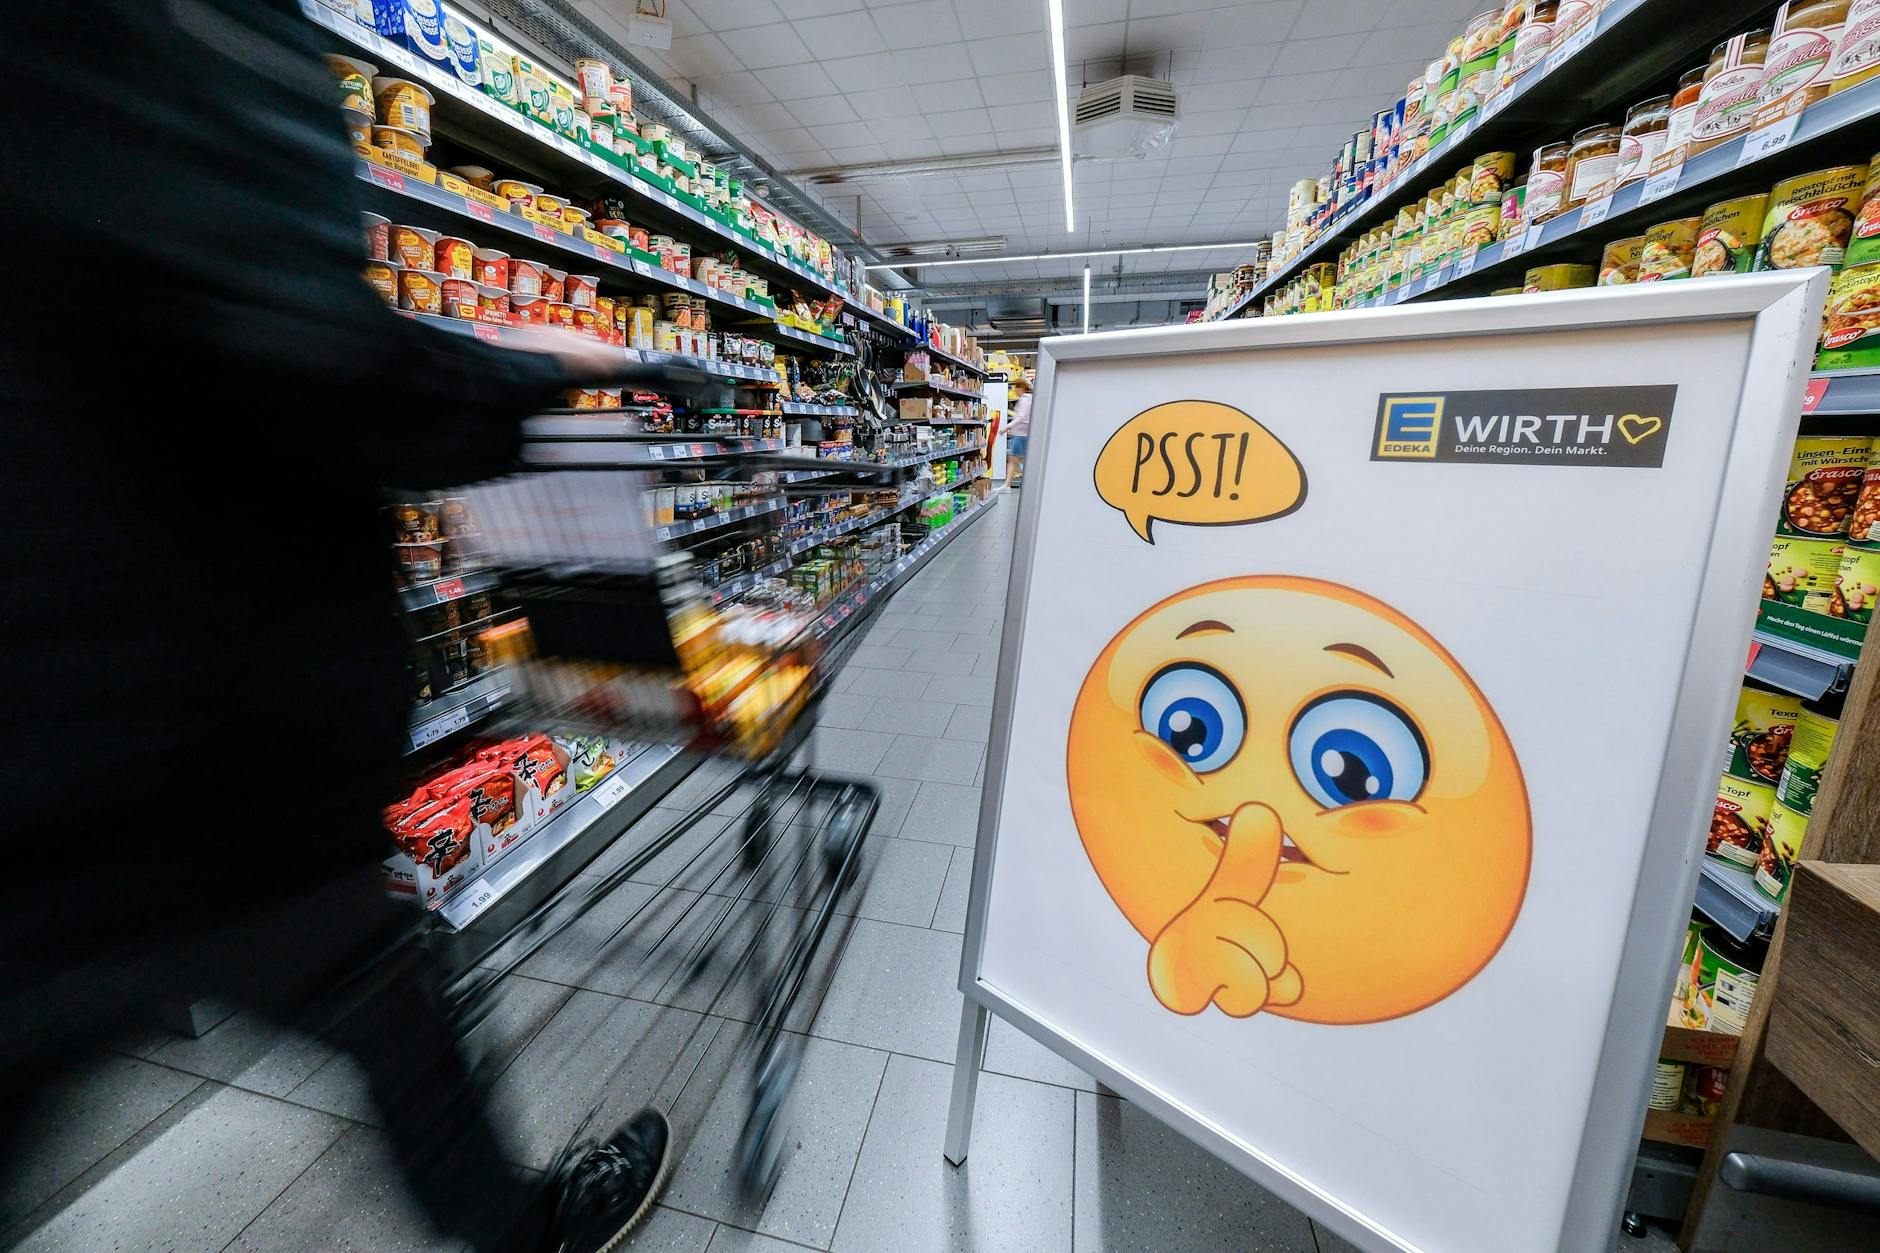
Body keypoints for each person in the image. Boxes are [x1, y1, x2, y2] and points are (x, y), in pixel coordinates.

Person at [1, 2, 665, 1249]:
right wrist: (524, 365)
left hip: (50, 729)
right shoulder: (201, 34)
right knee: (378, 984)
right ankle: (531, 1231)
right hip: (199, 722)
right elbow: (306, 356)